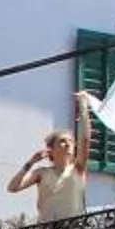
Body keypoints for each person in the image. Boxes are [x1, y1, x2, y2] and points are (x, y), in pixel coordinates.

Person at [8, 91, 101, 221]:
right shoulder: (41, 173)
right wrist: (30, 163)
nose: (68, 144)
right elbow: (12, 187)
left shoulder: (78, 168)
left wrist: (84, 107)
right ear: (51, 149)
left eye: (70, 141)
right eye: (62, 141)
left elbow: (85, 139)